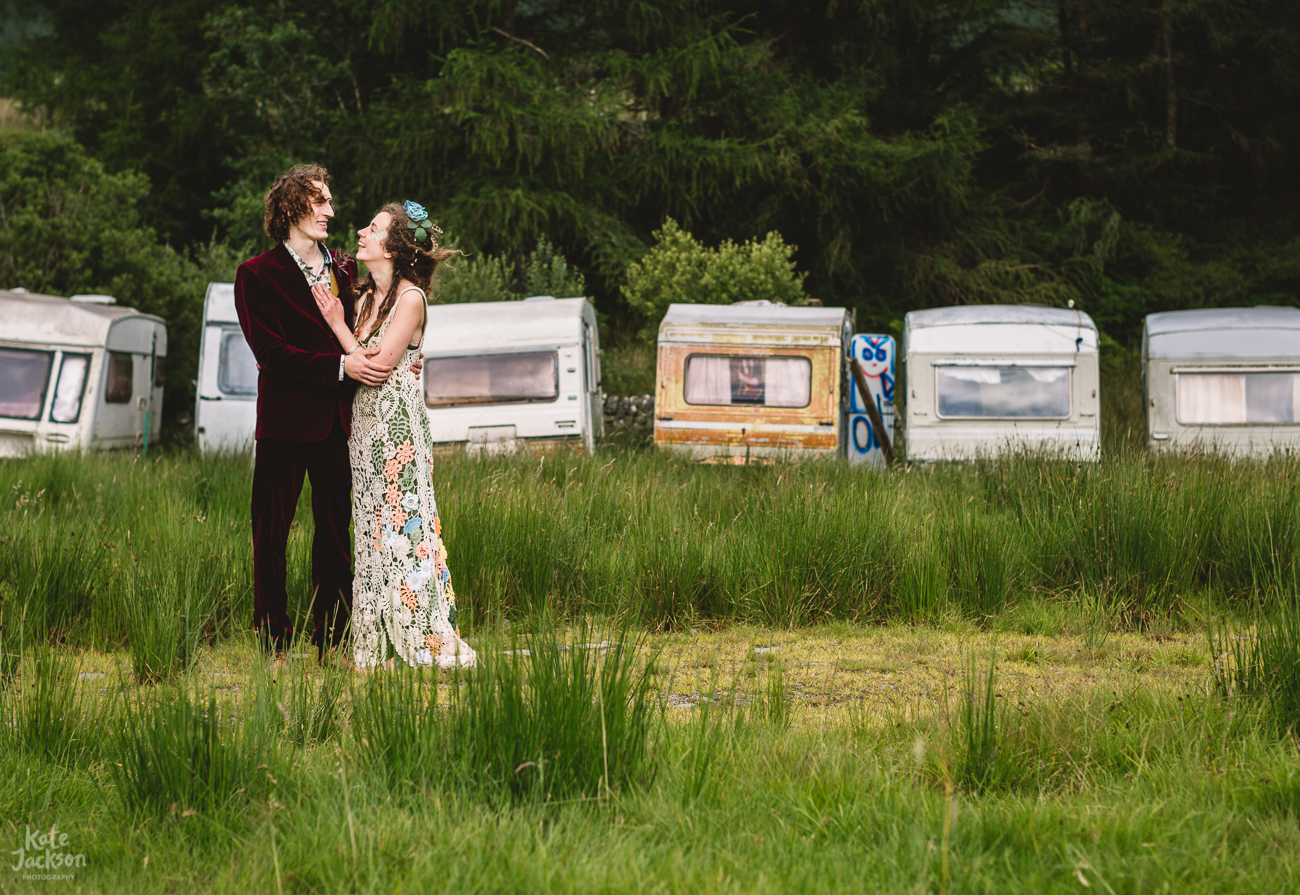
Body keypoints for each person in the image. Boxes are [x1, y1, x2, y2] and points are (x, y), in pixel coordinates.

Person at [234, 164, 396, 662]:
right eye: (320, 200)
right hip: (283, 424)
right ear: (291, 207)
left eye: (329, 200)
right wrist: (340, 366)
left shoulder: (346, 268)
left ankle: (333, 639)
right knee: (271, 535)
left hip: (337, 422)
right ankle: (273, 641)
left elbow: (380, 310)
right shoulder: (255, 274)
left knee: (334, 535)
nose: (331, 210)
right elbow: (271, 354)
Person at [315, 200, 476, 669]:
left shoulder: (411, 299)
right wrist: (346, 326)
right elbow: (359, 359)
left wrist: (338, 327)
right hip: (362, 428)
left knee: (403, 525)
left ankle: (421, 633)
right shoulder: (365, 298)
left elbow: (378, 368)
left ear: (393, 246)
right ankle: (375, 641)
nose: (362, 232)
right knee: (370, 529)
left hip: (398, 428)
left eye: (374, 228)